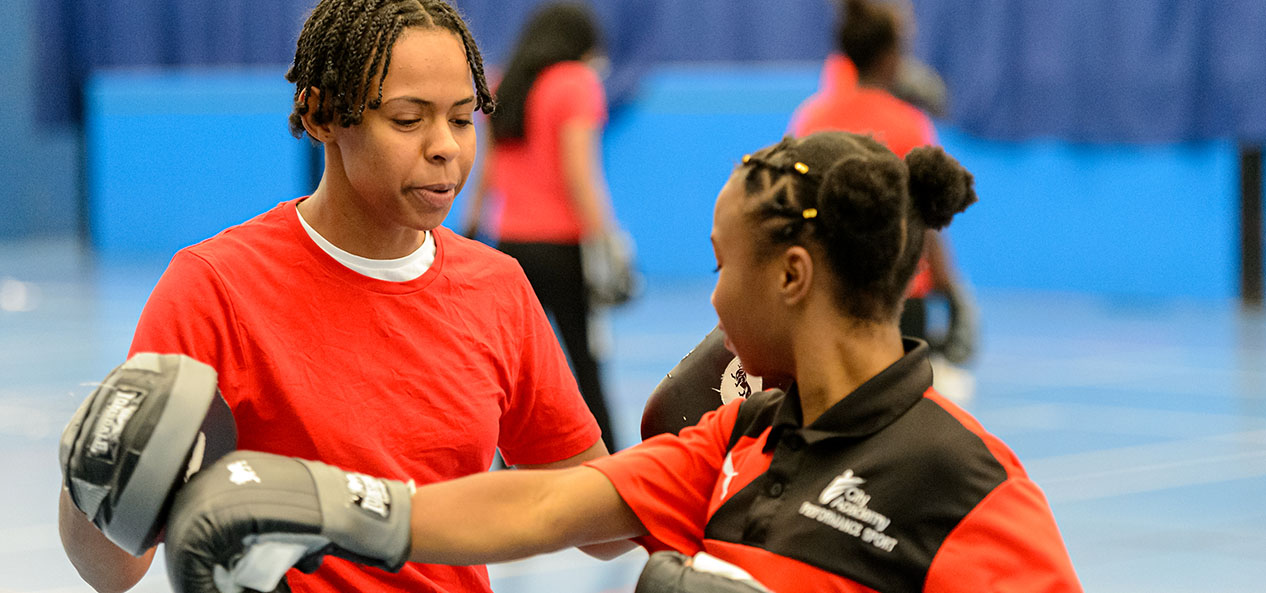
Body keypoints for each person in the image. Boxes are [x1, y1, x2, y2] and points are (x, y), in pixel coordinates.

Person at [163, 132, 1084, 593]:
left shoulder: (968, 487)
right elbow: (542, 499)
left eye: (726, 267)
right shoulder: (741, 434)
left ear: (793, 276)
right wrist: (331, 503)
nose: (714, 299)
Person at [57, 2, 622, 592]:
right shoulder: (214, 287)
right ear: (323, 115)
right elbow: (115, 571)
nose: (445, 148)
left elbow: (600, 527)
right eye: (408, 120)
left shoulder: (498, 286)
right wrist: (92, 476)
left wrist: (709, 437)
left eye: (460, 119)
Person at [462, 1, 623, 453]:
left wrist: (471, 226)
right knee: (584, 363)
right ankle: (608, 463)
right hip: (562, 247)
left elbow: (486, 168)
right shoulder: (575, 83)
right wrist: (607, 239)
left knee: (510, 369)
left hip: (510, 245)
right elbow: (580, 174)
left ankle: (497, 465)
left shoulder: (504, 82)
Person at [789, 0, 979, 382]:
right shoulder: (907, 124)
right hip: (900, 299)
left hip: (829, 296)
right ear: (892, 55)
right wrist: (952, 291)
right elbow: (926, 218)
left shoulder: (811, 119)